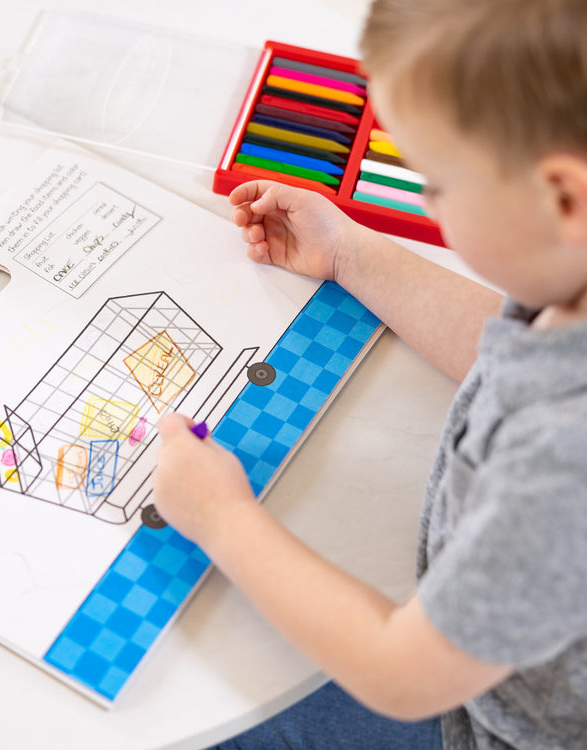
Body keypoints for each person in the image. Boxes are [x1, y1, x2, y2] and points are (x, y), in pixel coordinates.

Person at [152, 0, 587, 747]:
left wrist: (219, 516)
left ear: (562, 196)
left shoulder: (561, 466)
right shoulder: (569, 276)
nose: (424, 201)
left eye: (440, 182)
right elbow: (512, 343)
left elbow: (404, 675)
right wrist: (352, 254)